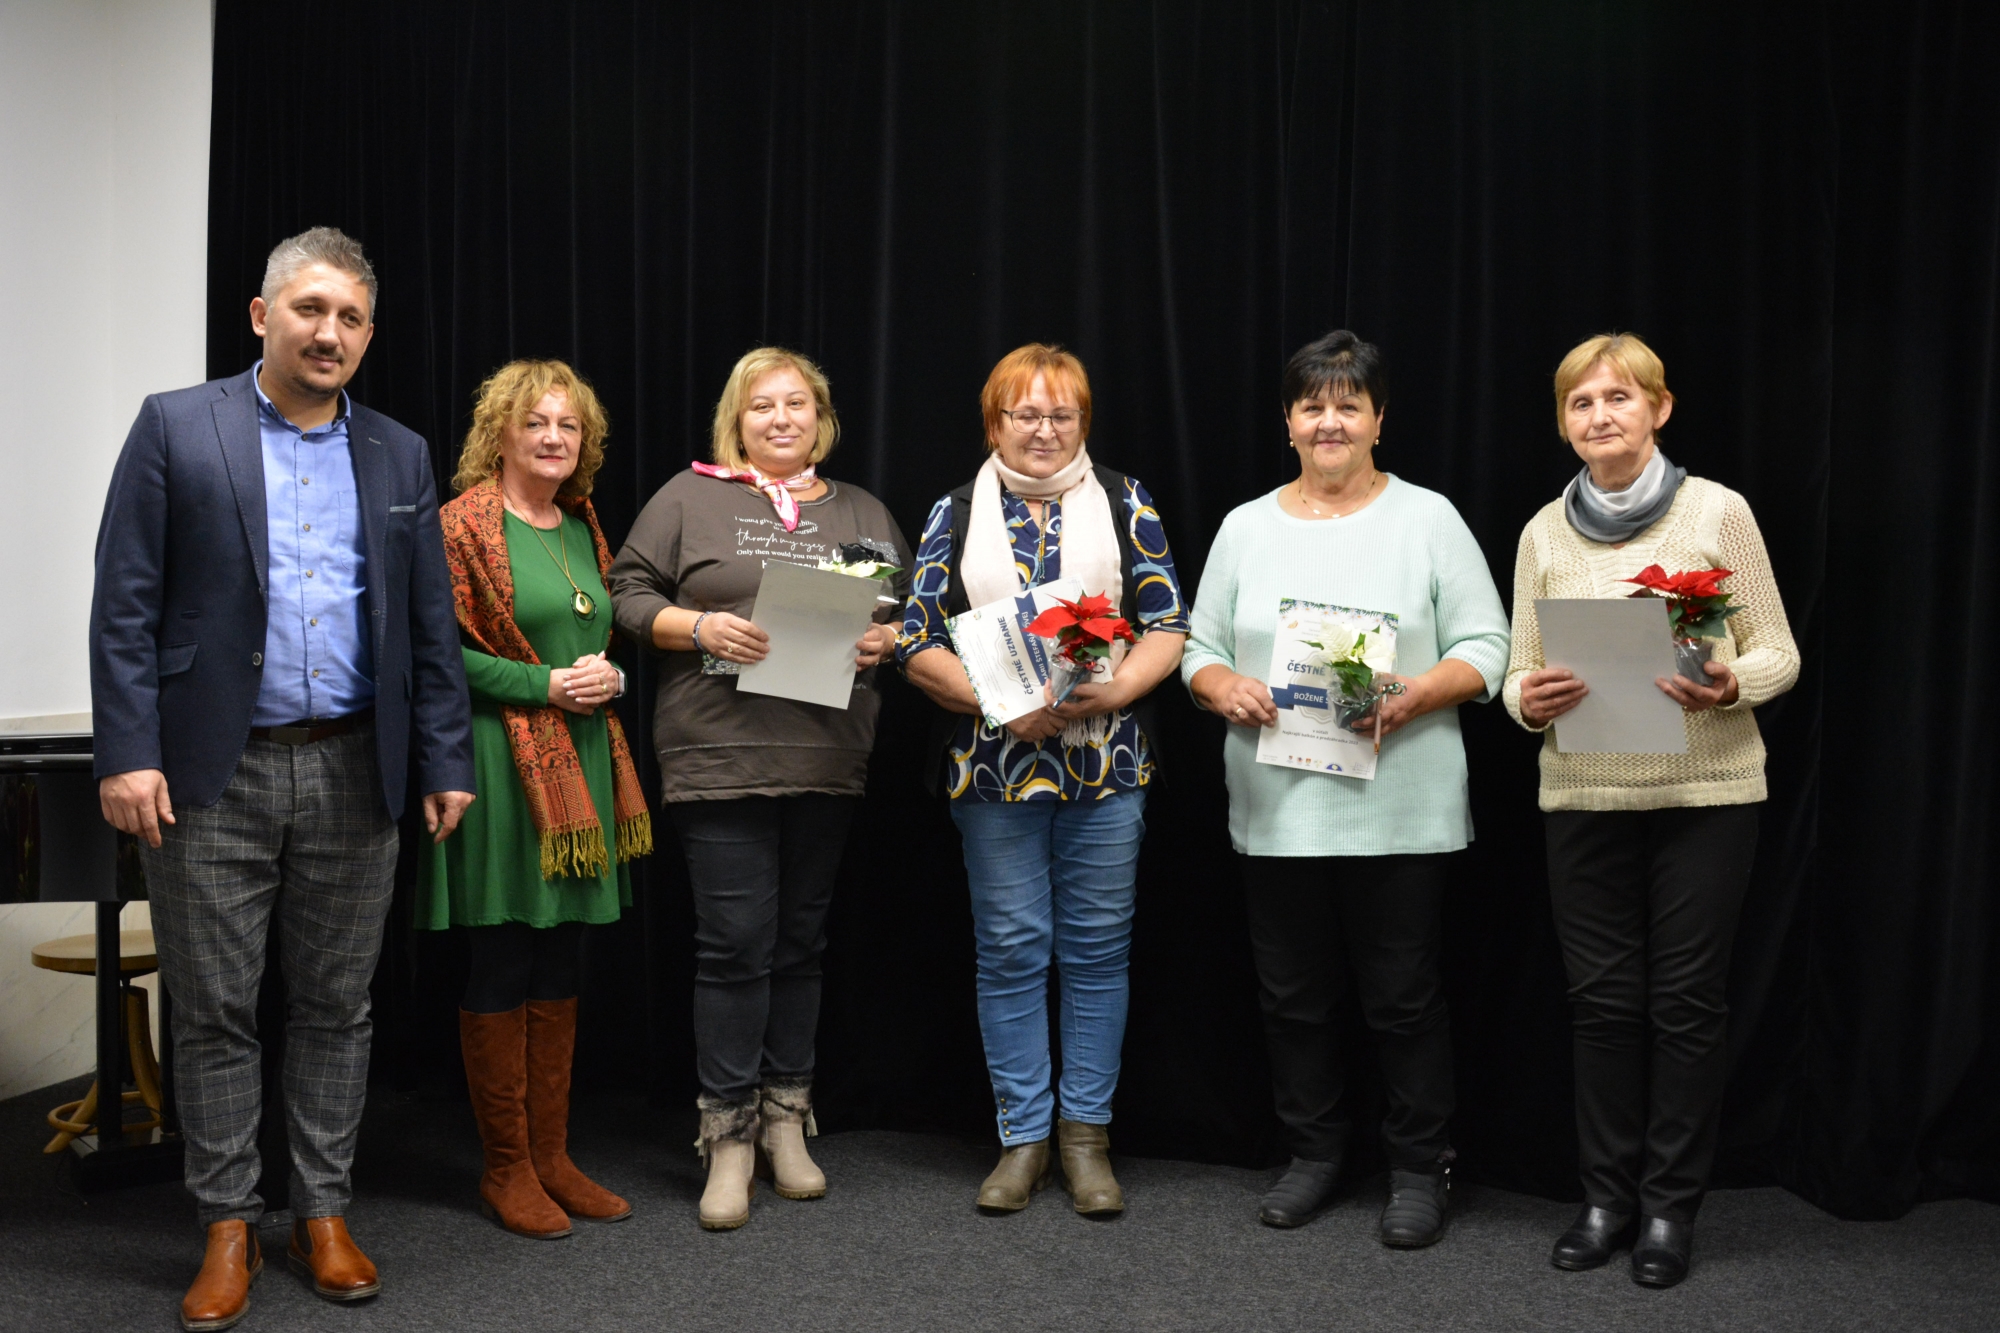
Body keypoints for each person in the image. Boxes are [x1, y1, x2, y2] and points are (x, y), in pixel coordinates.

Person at [90, 227, 475, 1331]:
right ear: (262, 316)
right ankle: (226, 1222)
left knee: (336, 1006)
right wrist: (127, 750)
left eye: (350, 317)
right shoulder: (177, 425)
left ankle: (321, 1212)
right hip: (212, 773)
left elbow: (428, 625)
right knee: (215, 1007)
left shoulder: (399, 452)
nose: (329, 332)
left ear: (367, 334)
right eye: (310, 309)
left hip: (358, 768)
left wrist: (444, 755)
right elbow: (125, 602)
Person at [1181, 330, 1509, 1245]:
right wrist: (1221, 686)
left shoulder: (1428, 518)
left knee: (1403, 997)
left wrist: (1417, 693)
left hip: (1401, 807)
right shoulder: (1246, 526)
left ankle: (1419, 1166)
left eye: (1349, 405)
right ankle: (1315, 1153)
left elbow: (1489, 646)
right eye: (1312, 405)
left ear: (1378, 420)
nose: (1330, 421)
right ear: (1288, 422)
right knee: (1292, 998)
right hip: (1279, 807)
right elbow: (1199, 648)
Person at [1504, 332, 1799, 1287]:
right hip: (1584, 793)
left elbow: (1780, 650)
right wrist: (1526, 701)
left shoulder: (1719, 511)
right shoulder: (1543, 532)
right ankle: (1605, 1201)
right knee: (1600, 1005)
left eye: (1618, 397)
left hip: (1705, 793)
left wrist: (1732, 682)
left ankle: (1670, 1209)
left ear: (1659, 408)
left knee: (1685, 1004)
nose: (1600, 415)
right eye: (1581, 402)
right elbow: (1516, 670)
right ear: (1564, 423)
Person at [607, 346, 908, 1230]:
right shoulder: (689, 498)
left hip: (826, 755)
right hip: (719, 755)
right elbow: (626, 593)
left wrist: (887, 640)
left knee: (801, 944)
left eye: (796, 403)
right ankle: (728, 1134)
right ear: (736, 421)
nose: (781, 418)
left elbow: (905, 611)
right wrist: (697, 624)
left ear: (822, 417)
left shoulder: (860, 510)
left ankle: (786, 1119)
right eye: (761, 405)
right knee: (735, 945)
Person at [899, 343, 1189, 1218]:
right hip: (994, 767)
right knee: (1012, 949)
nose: (1044, 429)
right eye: (1025, 413)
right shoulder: (956, 512)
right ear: (995, 423)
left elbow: (1168, 623)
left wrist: (1121, 688)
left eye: (1062, 414)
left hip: (1107, 761)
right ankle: (1022, 1137)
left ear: (1082, 422)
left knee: (1098, 951)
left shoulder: (1126, 499)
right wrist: (1000, 703)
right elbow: (915, 642)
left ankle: (1086, 1139)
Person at [423, 360, 652, 1239]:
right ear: (501, 434)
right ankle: (506, 1168)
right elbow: (436, 655)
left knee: (562, 961)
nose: (554, 437)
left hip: (579, 764)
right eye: (536, 423)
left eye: (569, 425)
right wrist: (545, 684)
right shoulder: (463, 525)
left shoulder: (583, 522)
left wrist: (607, 676)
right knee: (503, 958)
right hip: (497, 765)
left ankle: (551, 1156)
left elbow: (590, 631)